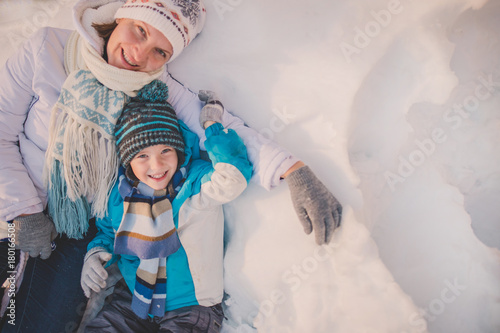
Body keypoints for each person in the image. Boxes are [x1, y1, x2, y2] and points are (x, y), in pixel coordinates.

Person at [0, 0, 342, 331]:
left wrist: (291, 168)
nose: (139, 55)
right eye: (140, 30)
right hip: (9, 211)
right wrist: (24, 213)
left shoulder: (154, 88)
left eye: (160, 52)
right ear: (123, 13)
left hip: (77, 232)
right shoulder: (46, 50)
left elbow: (226, 128)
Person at [80, 80, 251, 332]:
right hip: (135, 299)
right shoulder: (119, 196)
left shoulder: (195, 184)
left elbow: (232, 176)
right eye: (142, 156)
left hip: (192, 306)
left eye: (166, 150)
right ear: (128, 161)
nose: (157, 165)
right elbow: (107, 233)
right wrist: (94, 256)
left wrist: (212, 125)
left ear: (178, 151)